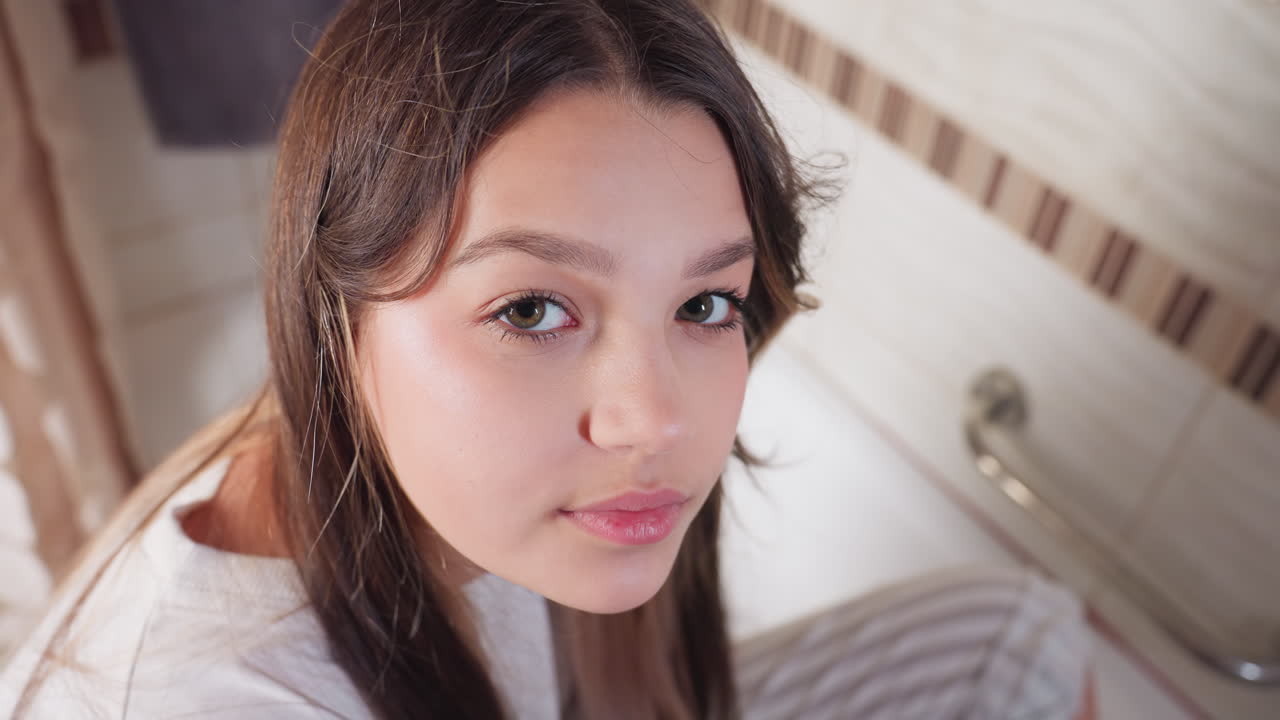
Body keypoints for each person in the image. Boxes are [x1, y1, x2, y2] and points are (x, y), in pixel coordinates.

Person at [0, 0, 1097, 717]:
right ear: (336, 320)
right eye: (531, 309)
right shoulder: (221, 700)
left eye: (703, 301)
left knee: (1015, 636)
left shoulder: (439, 485)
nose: (651, 420)